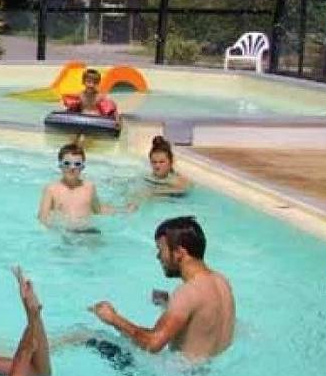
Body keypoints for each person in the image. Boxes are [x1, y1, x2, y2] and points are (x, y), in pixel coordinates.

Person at [89, 216, 236, 363]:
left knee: (84, 336)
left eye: (161, 250)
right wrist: (167, 305)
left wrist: (113, 318)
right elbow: (204, 325)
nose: (158, 257)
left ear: (179, 253)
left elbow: (153, 344)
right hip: (208, 374)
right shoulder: (221, 281)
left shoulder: (187, 293)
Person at [37, 142, 132, 230]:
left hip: (87, 230)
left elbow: (98, 209)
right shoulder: (51, 189)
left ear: (82, 167)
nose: (72, 167)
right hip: (64, 232)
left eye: (77, 164)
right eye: (67, 163)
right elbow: (43, 218)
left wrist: (122, 210)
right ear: (60, 165)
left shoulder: (89, 187)